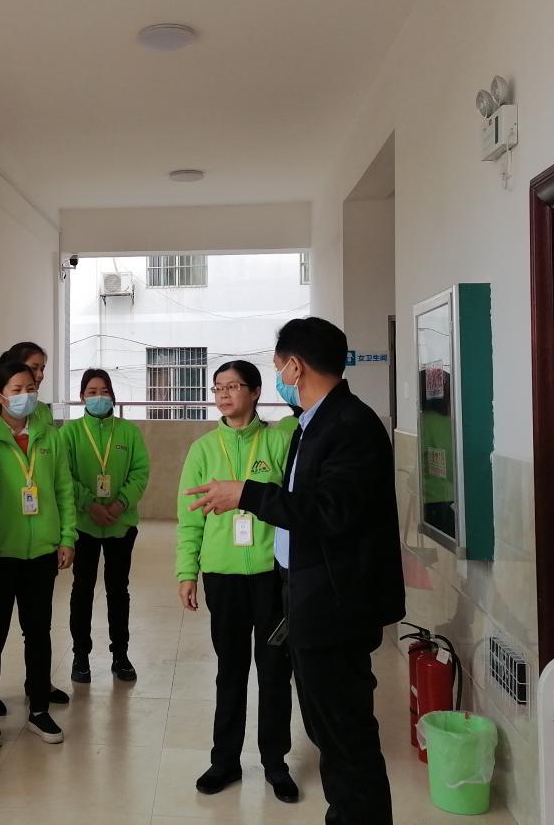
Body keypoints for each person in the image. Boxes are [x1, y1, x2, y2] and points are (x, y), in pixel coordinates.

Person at [186, 317, 406, 825]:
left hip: (336, 608)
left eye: (277, 366)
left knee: (346, 736)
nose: (279, 376)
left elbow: (328, 511)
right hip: (308, 598)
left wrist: (246, 494)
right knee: (329, 733)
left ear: (295, 367)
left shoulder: (348, 426)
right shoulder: (314, 423)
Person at [175, 361, 299, 804]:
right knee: (230, 670)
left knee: (274, 671)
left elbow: (294, 502)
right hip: (223, 576)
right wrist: (187, 571)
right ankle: (225, 760)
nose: (224, 394)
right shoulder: (203, 449)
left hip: (270, 577)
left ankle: (275, 762)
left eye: (233, 386)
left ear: (256, 391)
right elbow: (189, 518)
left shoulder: (279, 440)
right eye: (218, 388)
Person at [0, 358, 77, 747]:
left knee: (39, 632)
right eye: (16, 390)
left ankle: (38, 708)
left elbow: (63, 489)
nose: (25, 396)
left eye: (30, 388)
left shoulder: (50, 436)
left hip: (41, 552)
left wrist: (66, 538)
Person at [61, 368, 151, 684]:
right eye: (92, 392)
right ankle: (80, 655)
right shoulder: (69, 433)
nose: (98, 397)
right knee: (82, 589)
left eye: (104, 391)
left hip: (120, 524)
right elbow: (64, 476)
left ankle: (120, 655)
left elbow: (140, 472)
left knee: (118, 589)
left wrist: (119, 504)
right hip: (84, 525)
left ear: (112, 395)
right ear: (81, 397)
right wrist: (90, 504)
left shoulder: (128, 432)